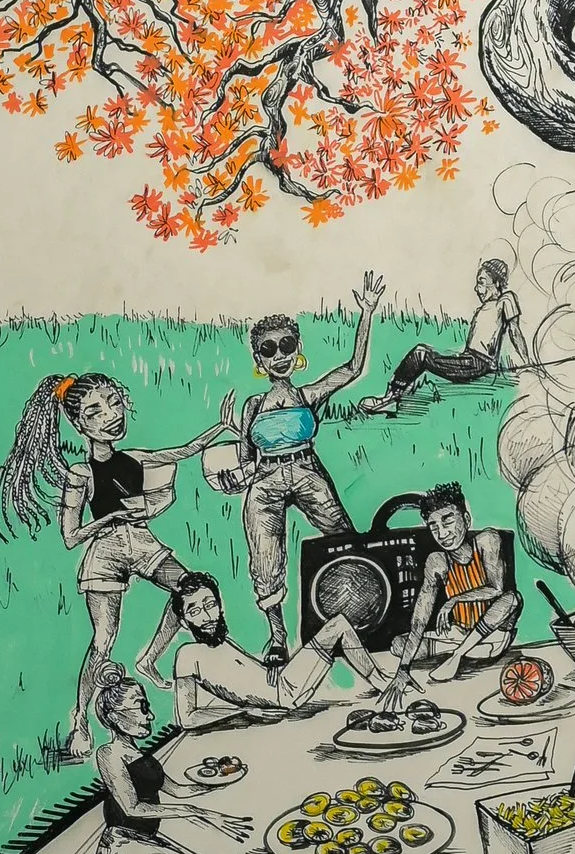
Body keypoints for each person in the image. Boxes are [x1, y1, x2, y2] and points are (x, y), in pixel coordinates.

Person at [0, 369, 222, 752]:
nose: (111, 416)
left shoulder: (134, 458)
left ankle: (150, 658)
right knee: (104, 639)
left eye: (114, 403)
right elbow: (70, 537)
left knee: (188, 591)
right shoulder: (80, 473)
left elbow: (184, 450)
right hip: (104, 551)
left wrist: (222, 426)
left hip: (141, 542)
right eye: (95, 412)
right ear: (78, 424)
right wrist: (111, 517)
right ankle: (80, 719)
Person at [213, 274, 385, 656]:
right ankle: (277, 637)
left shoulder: (308, 395)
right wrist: (233, 478)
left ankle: (359, 614)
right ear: (258, 358)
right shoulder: (252, 407)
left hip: (308, 471)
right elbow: (246, 460)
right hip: (265, 481)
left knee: (345, 539)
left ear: (297, 348)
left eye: (286, 346)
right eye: (269, 349)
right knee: (265, 558)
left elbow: (353, 369)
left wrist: (367, 312)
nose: (279, 356)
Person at [166, 573, 391, 728]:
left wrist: (270, 666)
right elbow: (187, 718)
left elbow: (244, 678)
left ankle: (382, 680)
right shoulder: (187, 654)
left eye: (210, 604)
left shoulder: (222, 641)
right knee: (338, 625)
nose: (206, 616)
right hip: (283, 694)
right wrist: (245, 712)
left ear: (220, 606)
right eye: (194, 610)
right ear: (184, 622)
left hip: (281, 683)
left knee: (339, 624)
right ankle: (382, 681)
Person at [88, 669, 224, 854]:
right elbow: (132, 808)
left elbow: (178, 791)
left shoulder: (143, 757)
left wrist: (214, 784)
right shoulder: (109, 754)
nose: (150, 715)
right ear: (115, 717)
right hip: (121, 851)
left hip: (145, 843)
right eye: (140, 707)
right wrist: (190, 812)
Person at [396, 482, 520, 677]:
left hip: (493, 635)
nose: (442, 534)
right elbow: (420, 618)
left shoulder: (488, 540)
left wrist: (454, 600)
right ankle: (462, 651)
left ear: (466, 519)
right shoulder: (437, 561)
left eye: (447, 522)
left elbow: (496, 589)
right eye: (434, 527)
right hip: (459, 635)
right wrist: (403, 669)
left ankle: (459, 654)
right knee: (398, 645)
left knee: (512, 599)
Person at [381, 260, 527, 414]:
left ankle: (391, 397)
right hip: (469, 359)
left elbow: (515, 331)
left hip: (478, 362)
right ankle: (392, 396)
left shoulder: (506, 299)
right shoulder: (484, 307)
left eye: (481, 282)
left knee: (421, 353)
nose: (477, 289)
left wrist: (527, 362)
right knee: (422, 353)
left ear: (497, 283)